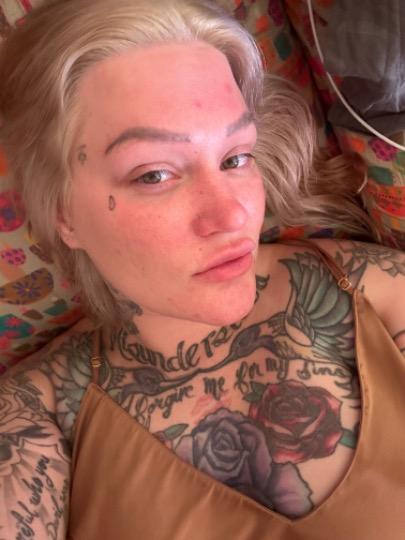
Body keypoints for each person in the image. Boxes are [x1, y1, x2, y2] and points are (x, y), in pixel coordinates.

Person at [0, 0, 405, 538]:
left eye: (235, 158)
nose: (233, 216)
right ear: (63, 213)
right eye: (155, 174)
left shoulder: (381, 294)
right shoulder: (36, 414)